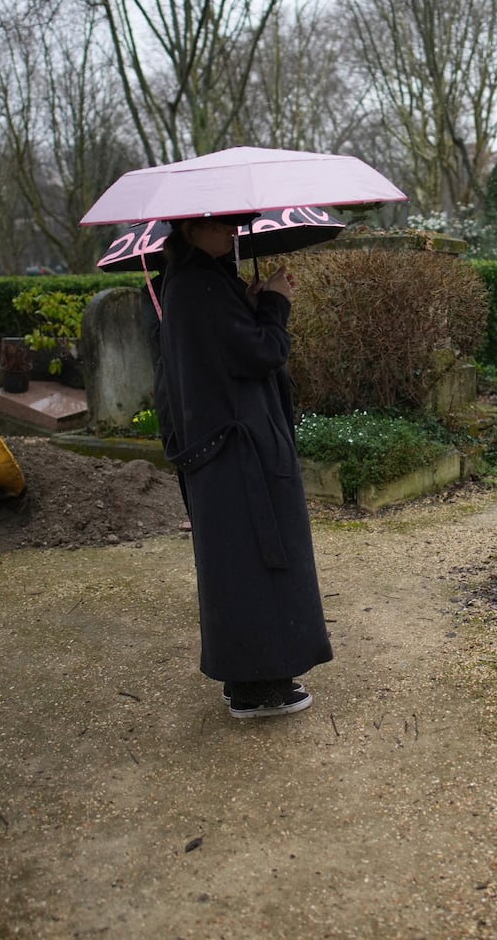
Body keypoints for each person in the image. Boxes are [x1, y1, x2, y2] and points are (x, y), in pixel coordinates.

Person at [157, 215, 330, 718]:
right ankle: (260, 689)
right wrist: (275, 303)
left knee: (240, 565)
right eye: (225, 225)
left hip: (229, 451)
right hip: (239, 452)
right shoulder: (200, 287)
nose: (234, 232)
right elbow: (264, 352)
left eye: (237, 224)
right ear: (192, 229)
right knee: (254, 566)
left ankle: (253, 680)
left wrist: (247, 304)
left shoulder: (194, 282)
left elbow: (221, 348)